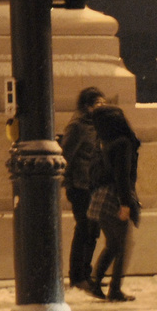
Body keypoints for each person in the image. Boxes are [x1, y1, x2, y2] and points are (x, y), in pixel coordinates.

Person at [86, 104, 141, 302]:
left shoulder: (101, 142)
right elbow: (122, 176)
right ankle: (114, 289)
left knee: (114, 244)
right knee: (122, 245)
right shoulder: (123, 143)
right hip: (114, 199)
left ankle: (96, 281)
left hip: (99, 199)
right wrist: (125, 203)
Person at [60, 87, 106, 293]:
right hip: (79, 185)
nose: (102, 107)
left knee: (93, 230)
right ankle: (77, 276)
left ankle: (86, 273)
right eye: (98, 103)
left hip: (94, 184)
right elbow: (66, 154)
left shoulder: (98, 124)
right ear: (87, 106)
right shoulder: (78, 126)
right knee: (84, 229)